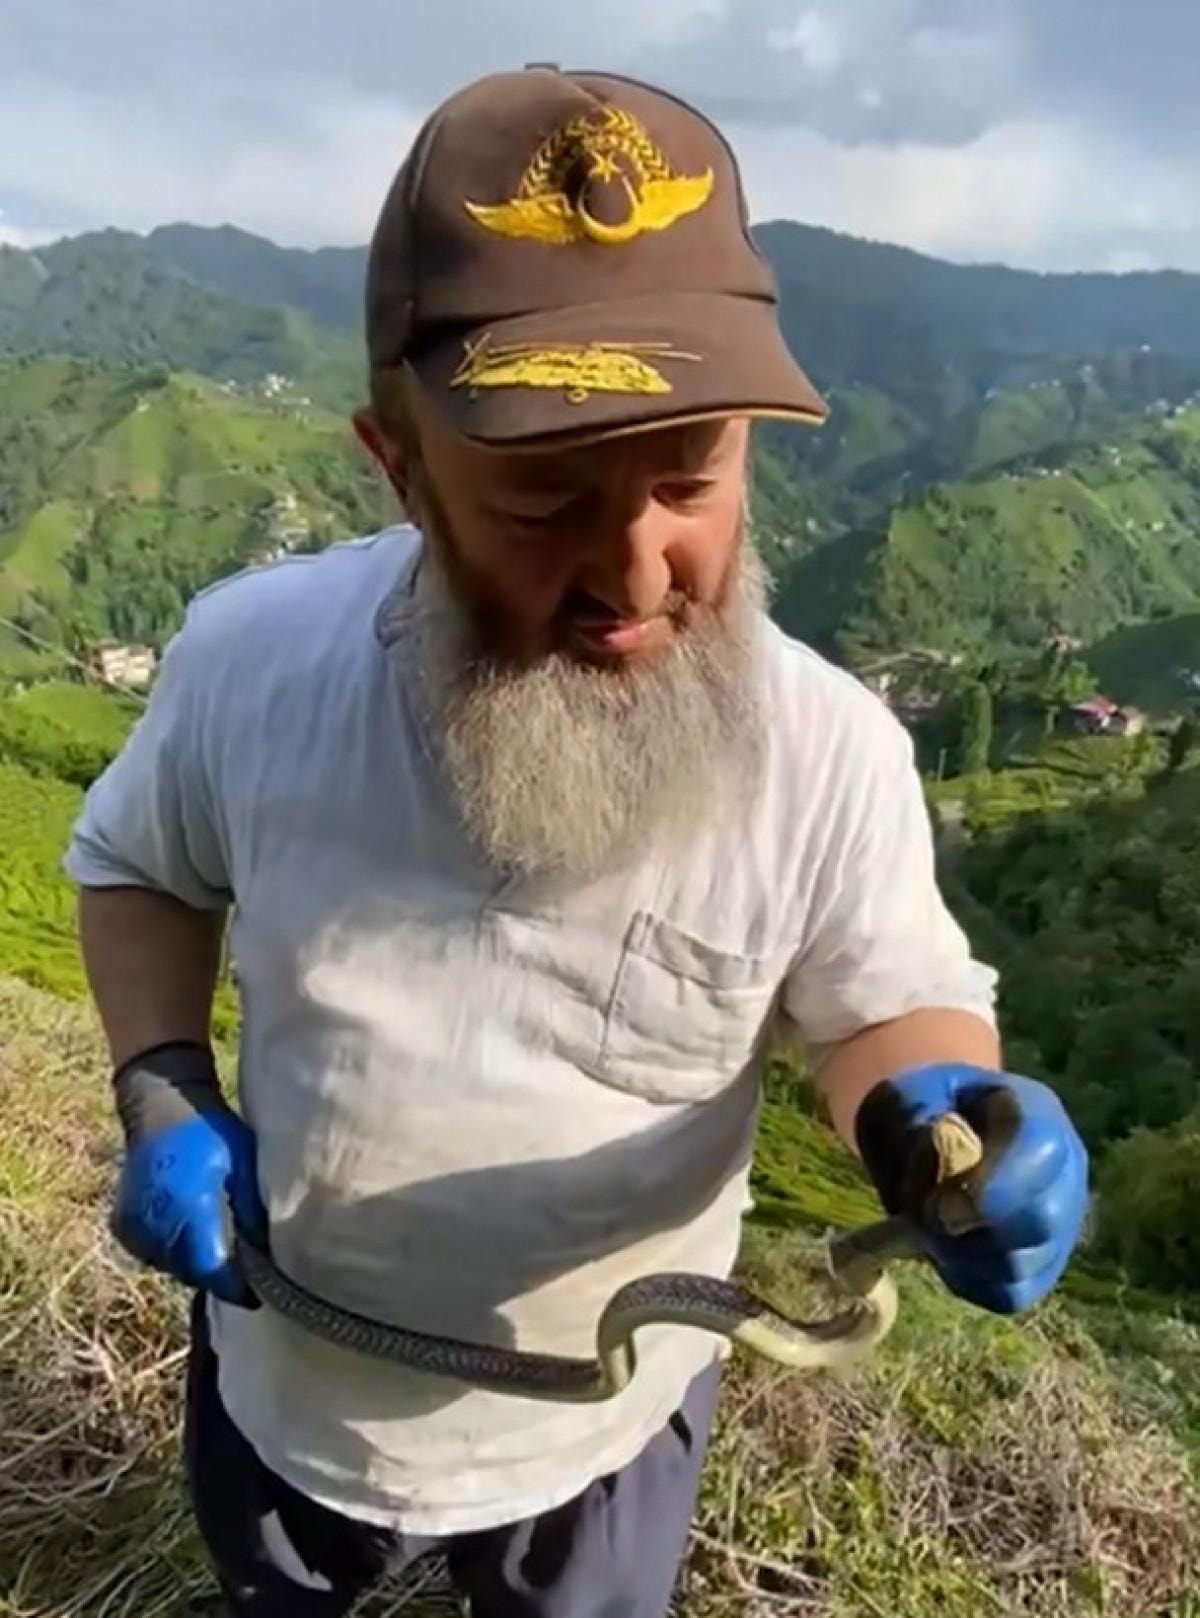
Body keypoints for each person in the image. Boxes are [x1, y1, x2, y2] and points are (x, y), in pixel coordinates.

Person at [63, 64, 1089, 1618]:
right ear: (401, 468)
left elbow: (883, 1007)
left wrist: (942, 1125)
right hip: (293, 1380)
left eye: (691, 478)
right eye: (543, 502)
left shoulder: (826, 753)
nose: (636, 567)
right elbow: (141, 864)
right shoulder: (251, 664)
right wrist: (160, 1080)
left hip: (603, 1423)